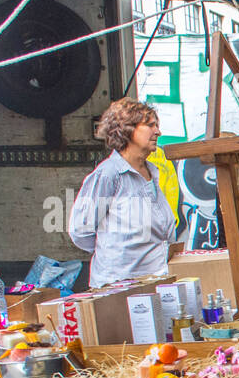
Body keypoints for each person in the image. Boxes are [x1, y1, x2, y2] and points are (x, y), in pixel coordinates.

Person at [70, 98, 178, 288]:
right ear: (127, 130)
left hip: (155, 282)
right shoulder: (109, 174)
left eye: (157, 125)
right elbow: (81, 230)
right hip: (118, 286)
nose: (158, 132)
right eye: (150, 125)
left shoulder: (153, 173)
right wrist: (112, 249)